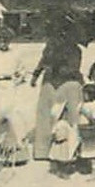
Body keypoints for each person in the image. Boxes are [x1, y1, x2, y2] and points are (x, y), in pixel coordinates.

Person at [30, 10, 84, 162]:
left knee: (45, 116)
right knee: (72, 116)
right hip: (69, 84)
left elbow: (42, 63)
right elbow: (74, 69)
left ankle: (42, 150)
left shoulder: (51, 46)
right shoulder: (75, 49)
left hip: (51, 83)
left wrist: (36, 75)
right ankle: (70, 148)